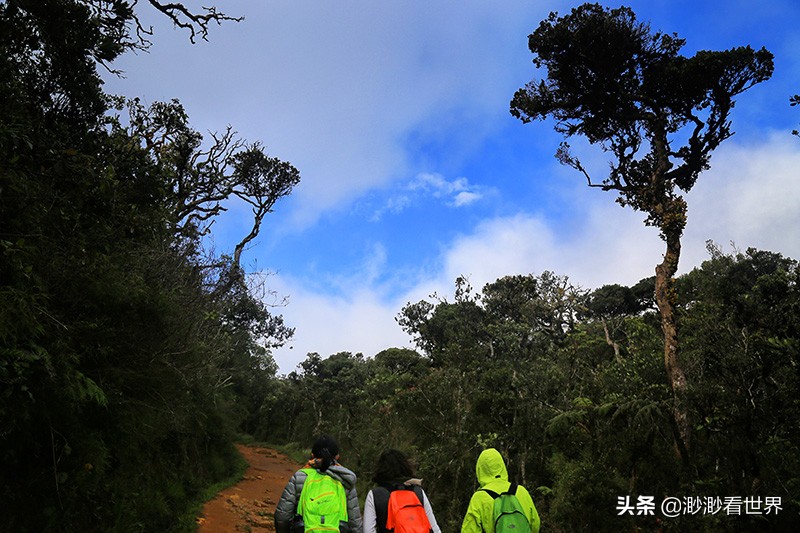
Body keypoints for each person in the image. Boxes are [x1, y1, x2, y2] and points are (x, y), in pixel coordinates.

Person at [274, 435, 363, 533]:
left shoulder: (300, 477)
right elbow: (355, 523)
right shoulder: (345, 480)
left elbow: (282, 516)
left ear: (312, 455)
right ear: (337, 457)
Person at [460, 448, 540, 533]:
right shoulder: (521, 491)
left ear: (480, 469)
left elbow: (469, 530)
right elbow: (535, 525)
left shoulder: (479, 498)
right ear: (502, 466)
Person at [363, 449, 441, 533]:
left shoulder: (375, 495)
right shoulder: (418, 492)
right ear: (405, 466)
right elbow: (434, 528)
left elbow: (368, 530)